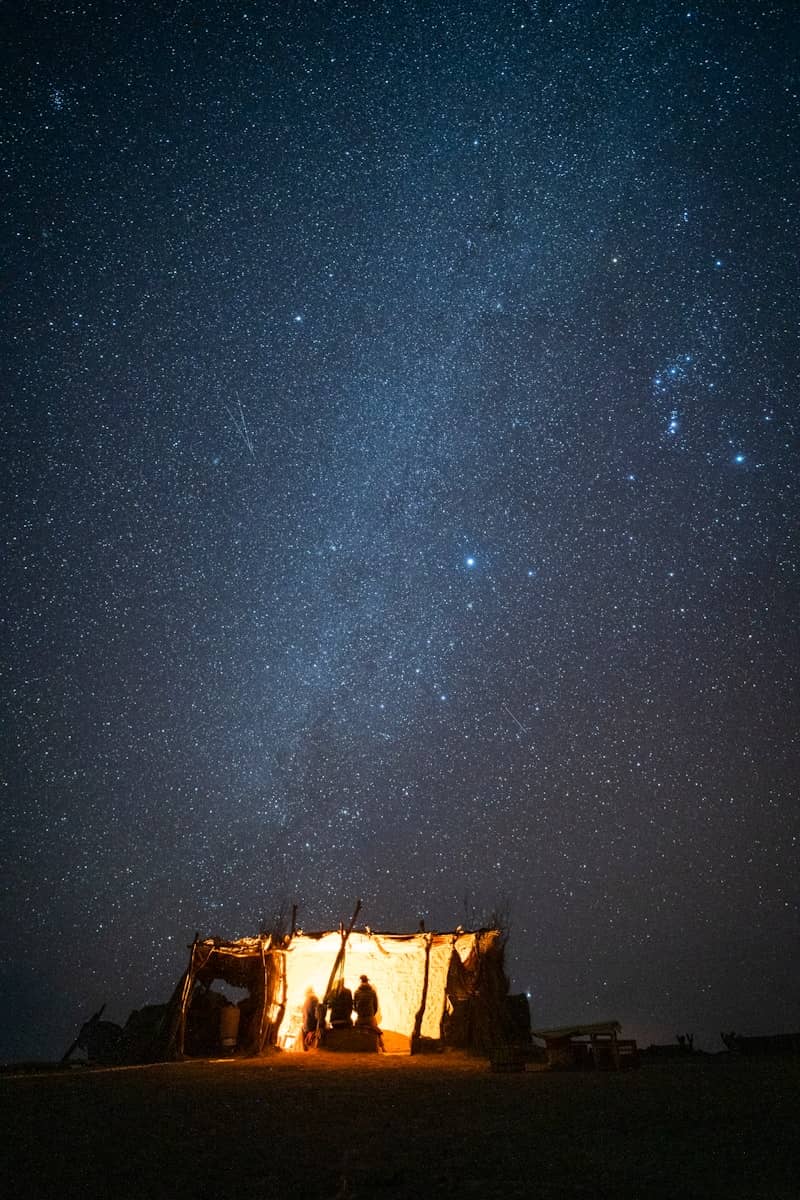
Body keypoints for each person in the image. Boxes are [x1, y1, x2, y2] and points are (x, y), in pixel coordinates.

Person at [354, 974, 384, 1050]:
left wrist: (359, 1013)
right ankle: (382, 1047)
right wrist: (371, 1014)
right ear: (367, 981)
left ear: (360, 982)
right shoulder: (372, 992)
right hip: (369, 1018)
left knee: (355, 1025)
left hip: (360, 1019)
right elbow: (376, 1006)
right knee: (375, 1024)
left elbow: (355, 1006)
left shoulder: (356, 992)